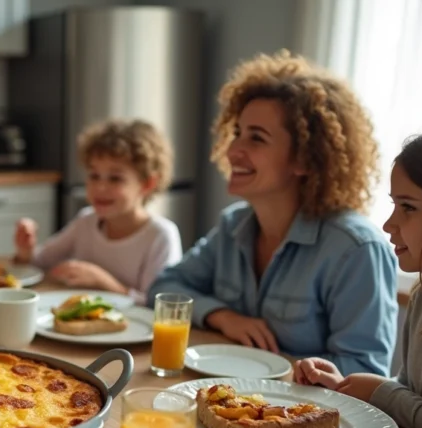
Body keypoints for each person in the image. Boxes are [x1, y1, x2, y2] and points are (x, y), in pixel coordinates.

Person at [146, 50, 398, 376]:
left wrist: (284, 372)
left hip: (301, 414)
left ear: (305, 159)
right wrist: (223, 316)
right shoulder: (233, 224)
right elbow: (165, 287)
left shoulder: (356, 249)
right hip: (229, 396)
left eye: (257, 138)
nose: (233, 150)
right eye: (237, 133)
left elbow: (366, 368)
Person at [295, 127, 422, 428]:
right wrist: (343, 385)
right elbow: (410, 394)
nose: (389, 224)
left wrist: (384, 393)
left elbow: (399, 400)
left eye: (408, 207)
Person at [14, 118, 183, 305]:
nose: (100, 187)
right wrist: (26, 250)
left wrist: (103, 282)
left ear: (147, 184)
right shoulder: (86, 221)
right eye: (94, 175)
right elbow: (40, 264)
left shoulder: (160, 236)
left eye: (115, 178)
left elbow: (160, 305)